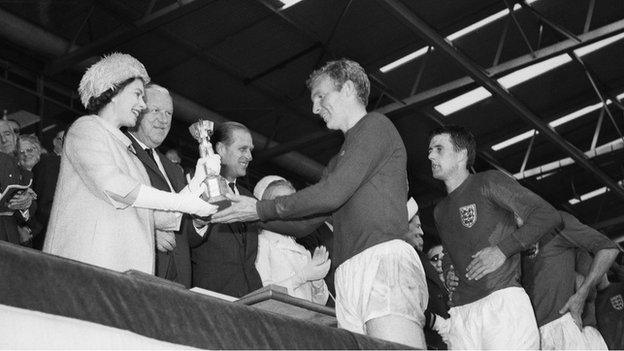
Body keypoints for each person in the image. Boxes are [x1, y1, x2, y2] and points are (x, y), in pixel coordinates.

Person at [212, 59, 428, 348]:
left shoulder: (376, 126)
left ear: (349, 89)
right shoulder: (339, 160)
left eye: (320, 96)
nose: (314, 108)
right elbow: (306, 223)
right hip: (350, 271)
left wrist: (259, 208)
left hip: (382, 259)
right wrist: (247, 214)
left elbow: (331, 193)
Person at [43, 53, 219, 274]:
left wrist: (199, 182)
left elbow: (157, 216)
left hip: (123, 274)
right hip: (85, 266)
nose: (142, 104)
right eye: (137, 94)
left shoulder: (129, 154)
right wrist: (184, 203)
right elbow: (117, 188)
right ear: (113, 91)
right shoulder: (86, 128)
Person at [428, 125, 560, 349]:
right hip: (462, 314)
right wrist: (450, 271)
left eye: (439, 149)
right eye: (430, 150)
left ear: (461, 155)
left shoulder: (489, 182)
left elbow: (547, 215)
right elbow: (450, 253)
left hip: (502, 305)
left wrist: (503, 249)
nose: (430, 155)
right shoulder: (440, 210)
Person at [126, 83, 202, 287]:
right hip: (139, 273)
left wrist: (199, 223)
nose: (164, 119)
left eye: (169, 113)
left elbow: (185, 230)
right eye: (156, 110)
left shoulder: (175, 169)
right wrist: (149, 230)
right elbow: (108, 205)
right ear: (138, 110)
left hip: (180, 279)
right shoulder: (119, 150)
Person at [520, 211, 617, 349]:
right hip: (537, 331)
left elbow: (591, 290)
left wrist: (580, 292)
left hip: (572, 327)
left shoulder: (574, 247)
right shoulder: (516, 241)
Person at [189, 121, 264, 297]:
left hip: (252, 299)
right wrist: (198, 222)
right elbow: (183, 238)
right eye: (243, 149)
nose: (250, 156)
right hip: (211, 298)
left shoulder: (250, 198)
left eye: (251, 150)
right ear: (221, 149)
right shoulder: (194, 185)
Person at [254, 175, 330, 305]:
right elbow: (263, 294)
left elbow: (320, 303)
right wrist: (303, 276)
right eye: (282, 202)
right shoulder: (261, 243)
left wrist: (317, 282)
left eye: (292, 203)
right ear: (267, 208)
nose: (288, 209)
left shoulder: (302, 250)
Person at [0, 120, 35, 245]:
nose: (3, 140)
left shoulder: (22, 166)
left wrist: (25, 205)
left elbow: (32, 209)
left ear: (15, 137)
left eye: (7, 134)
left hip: (12, 236)